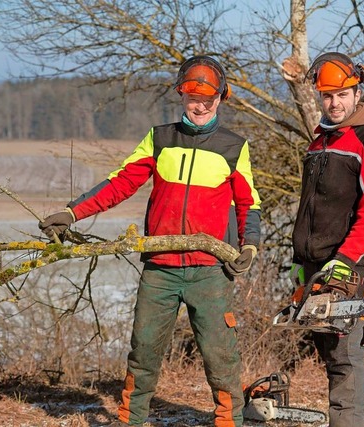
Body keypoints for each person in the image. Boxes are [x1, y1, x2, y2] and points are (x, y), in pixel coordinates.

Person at [38, 55, 262, 427]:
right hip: (160, 268)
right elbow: (121, 182)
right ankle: (131, 420)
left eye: (208, 98)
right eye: (193, 97)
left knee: (220, 356)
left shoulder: (234, 146)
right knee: (143, 352)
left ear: (221, 98)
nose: (200, 105)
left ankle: (229, 422)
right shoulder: (160, 138)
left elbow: (248, 203)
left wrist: (249, 244)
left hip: (209, 272)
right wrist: (72, 212)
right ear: (181, 95)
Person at [290, 52, 364, 426]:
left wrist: (345, 260)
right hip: (315, 264)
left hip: (349, 265)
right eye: (327, 96)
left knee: (344, 356)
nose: (334, 103)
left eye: (342, 94)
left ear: (356, 92)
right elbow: (309, 211)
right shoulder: (318, 142)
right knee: (330, 356)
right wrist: (300, 266)